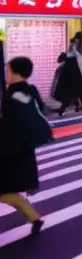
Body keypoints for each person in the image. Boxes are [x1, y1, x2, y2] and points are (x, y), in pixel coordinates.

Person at [0, 56, 50, 234]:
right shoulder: (29, 90)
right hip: (20, 149)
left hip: (11, 151)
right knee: (5, 191)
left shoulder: (13, 94)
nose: (5, 74)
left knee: (4, 191)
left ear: (15, 73)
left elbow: (11, 124)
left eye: (7, 71)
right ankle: (34, 218)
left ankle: (35, 218)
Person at [53, 40, 82, 117]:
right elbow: (59, 60)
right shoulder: (70, 55)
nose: (72, 46)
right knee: (74, 94)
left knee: (77, 94)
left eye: (73, 45)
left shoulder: (77, 55)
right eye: (71, 45)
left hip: (75, 78)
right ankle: (78, 107)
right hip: (70, 78)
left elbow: (81, 67)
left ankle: (79, 108)